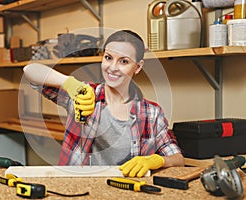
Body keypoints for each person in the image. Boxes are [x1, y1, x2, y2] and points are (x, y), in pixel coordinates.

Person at [23, 30, 184, 177]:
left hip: (128, 191)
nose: (113, 68)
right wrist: (69, 83)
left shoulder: (151, 113)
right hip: (78, 188)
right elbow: (30, 71)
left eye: (123, 61)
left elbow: (177, 159)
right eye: (108, 58)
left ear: (138, 67)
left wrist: (157, 160)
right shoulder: (83, 94)